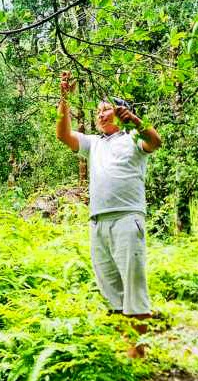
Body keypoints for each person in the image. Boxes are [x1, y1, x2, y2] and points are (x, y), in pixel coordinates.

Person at [55, 71, 162, 357]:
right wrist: (64, 96)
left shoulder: (132, 139)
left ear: (120, 113)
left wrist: (137, 122)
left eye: (106, 110)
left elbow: (155, 142)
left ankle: (138, 356)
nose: (100, 115)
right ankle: (121, 352)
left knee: (133, 285)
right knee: (111, 288)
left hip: (128, 219)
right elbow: (63, 135)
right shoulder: (93, 144)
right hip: (98, 222)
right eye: (98, 111)